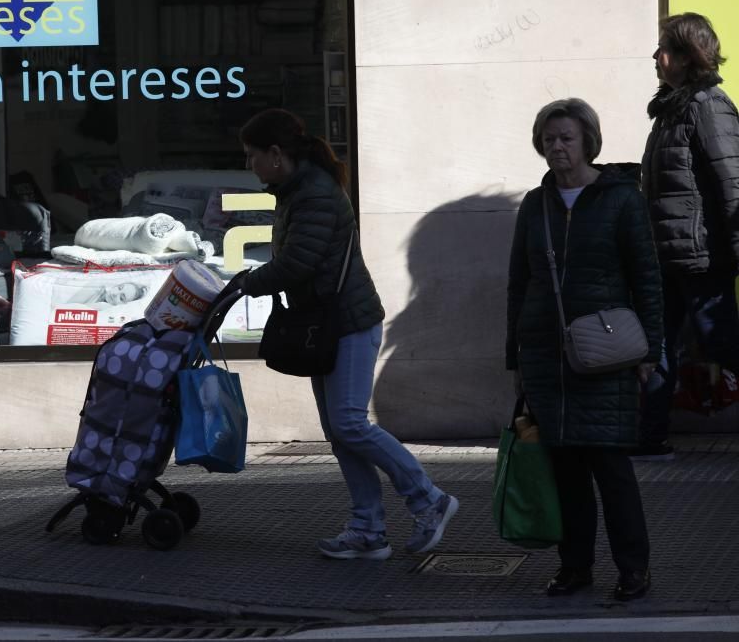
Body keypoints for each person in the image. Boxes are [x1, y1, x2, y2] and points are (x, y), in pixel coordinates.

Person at [236, 108, 458, 560]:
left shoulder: (313, 193)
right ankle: (367, 529)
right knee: (340, 431)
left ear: (275, 154)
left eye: (252, 156)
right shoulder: (296, 189)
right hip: (327, 323)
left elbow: (300, 261)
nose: (250, 165)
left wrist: (248, 282)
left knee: (350, 423)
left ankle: (428, 499)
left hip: (348, 323)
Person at [506, 98, 663, 600]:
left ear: (588, 142)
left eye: (566, 137)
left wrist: (650, 352)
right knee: (566, 471)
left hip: (606, 354)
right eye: (549, 138)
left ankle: (633, 570)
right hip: (547, 358)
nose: (557, 146)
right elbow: (519, 283)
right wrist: (516, 357)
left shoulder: (621, 200)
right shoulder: (535, 204)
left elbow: (648, 279)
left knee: (611, 469)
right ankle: (575, 567)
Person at [638, 12, 739, 460]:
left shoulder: (707, 105)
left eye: (664, 48)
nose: (656, 57)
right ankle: (649, 437)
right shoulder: (671, 109)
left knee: (723, 343)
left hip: (703, 257)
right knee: (656, 344)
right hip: (668, 256)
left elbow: (732, 181)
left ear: (686, 55)